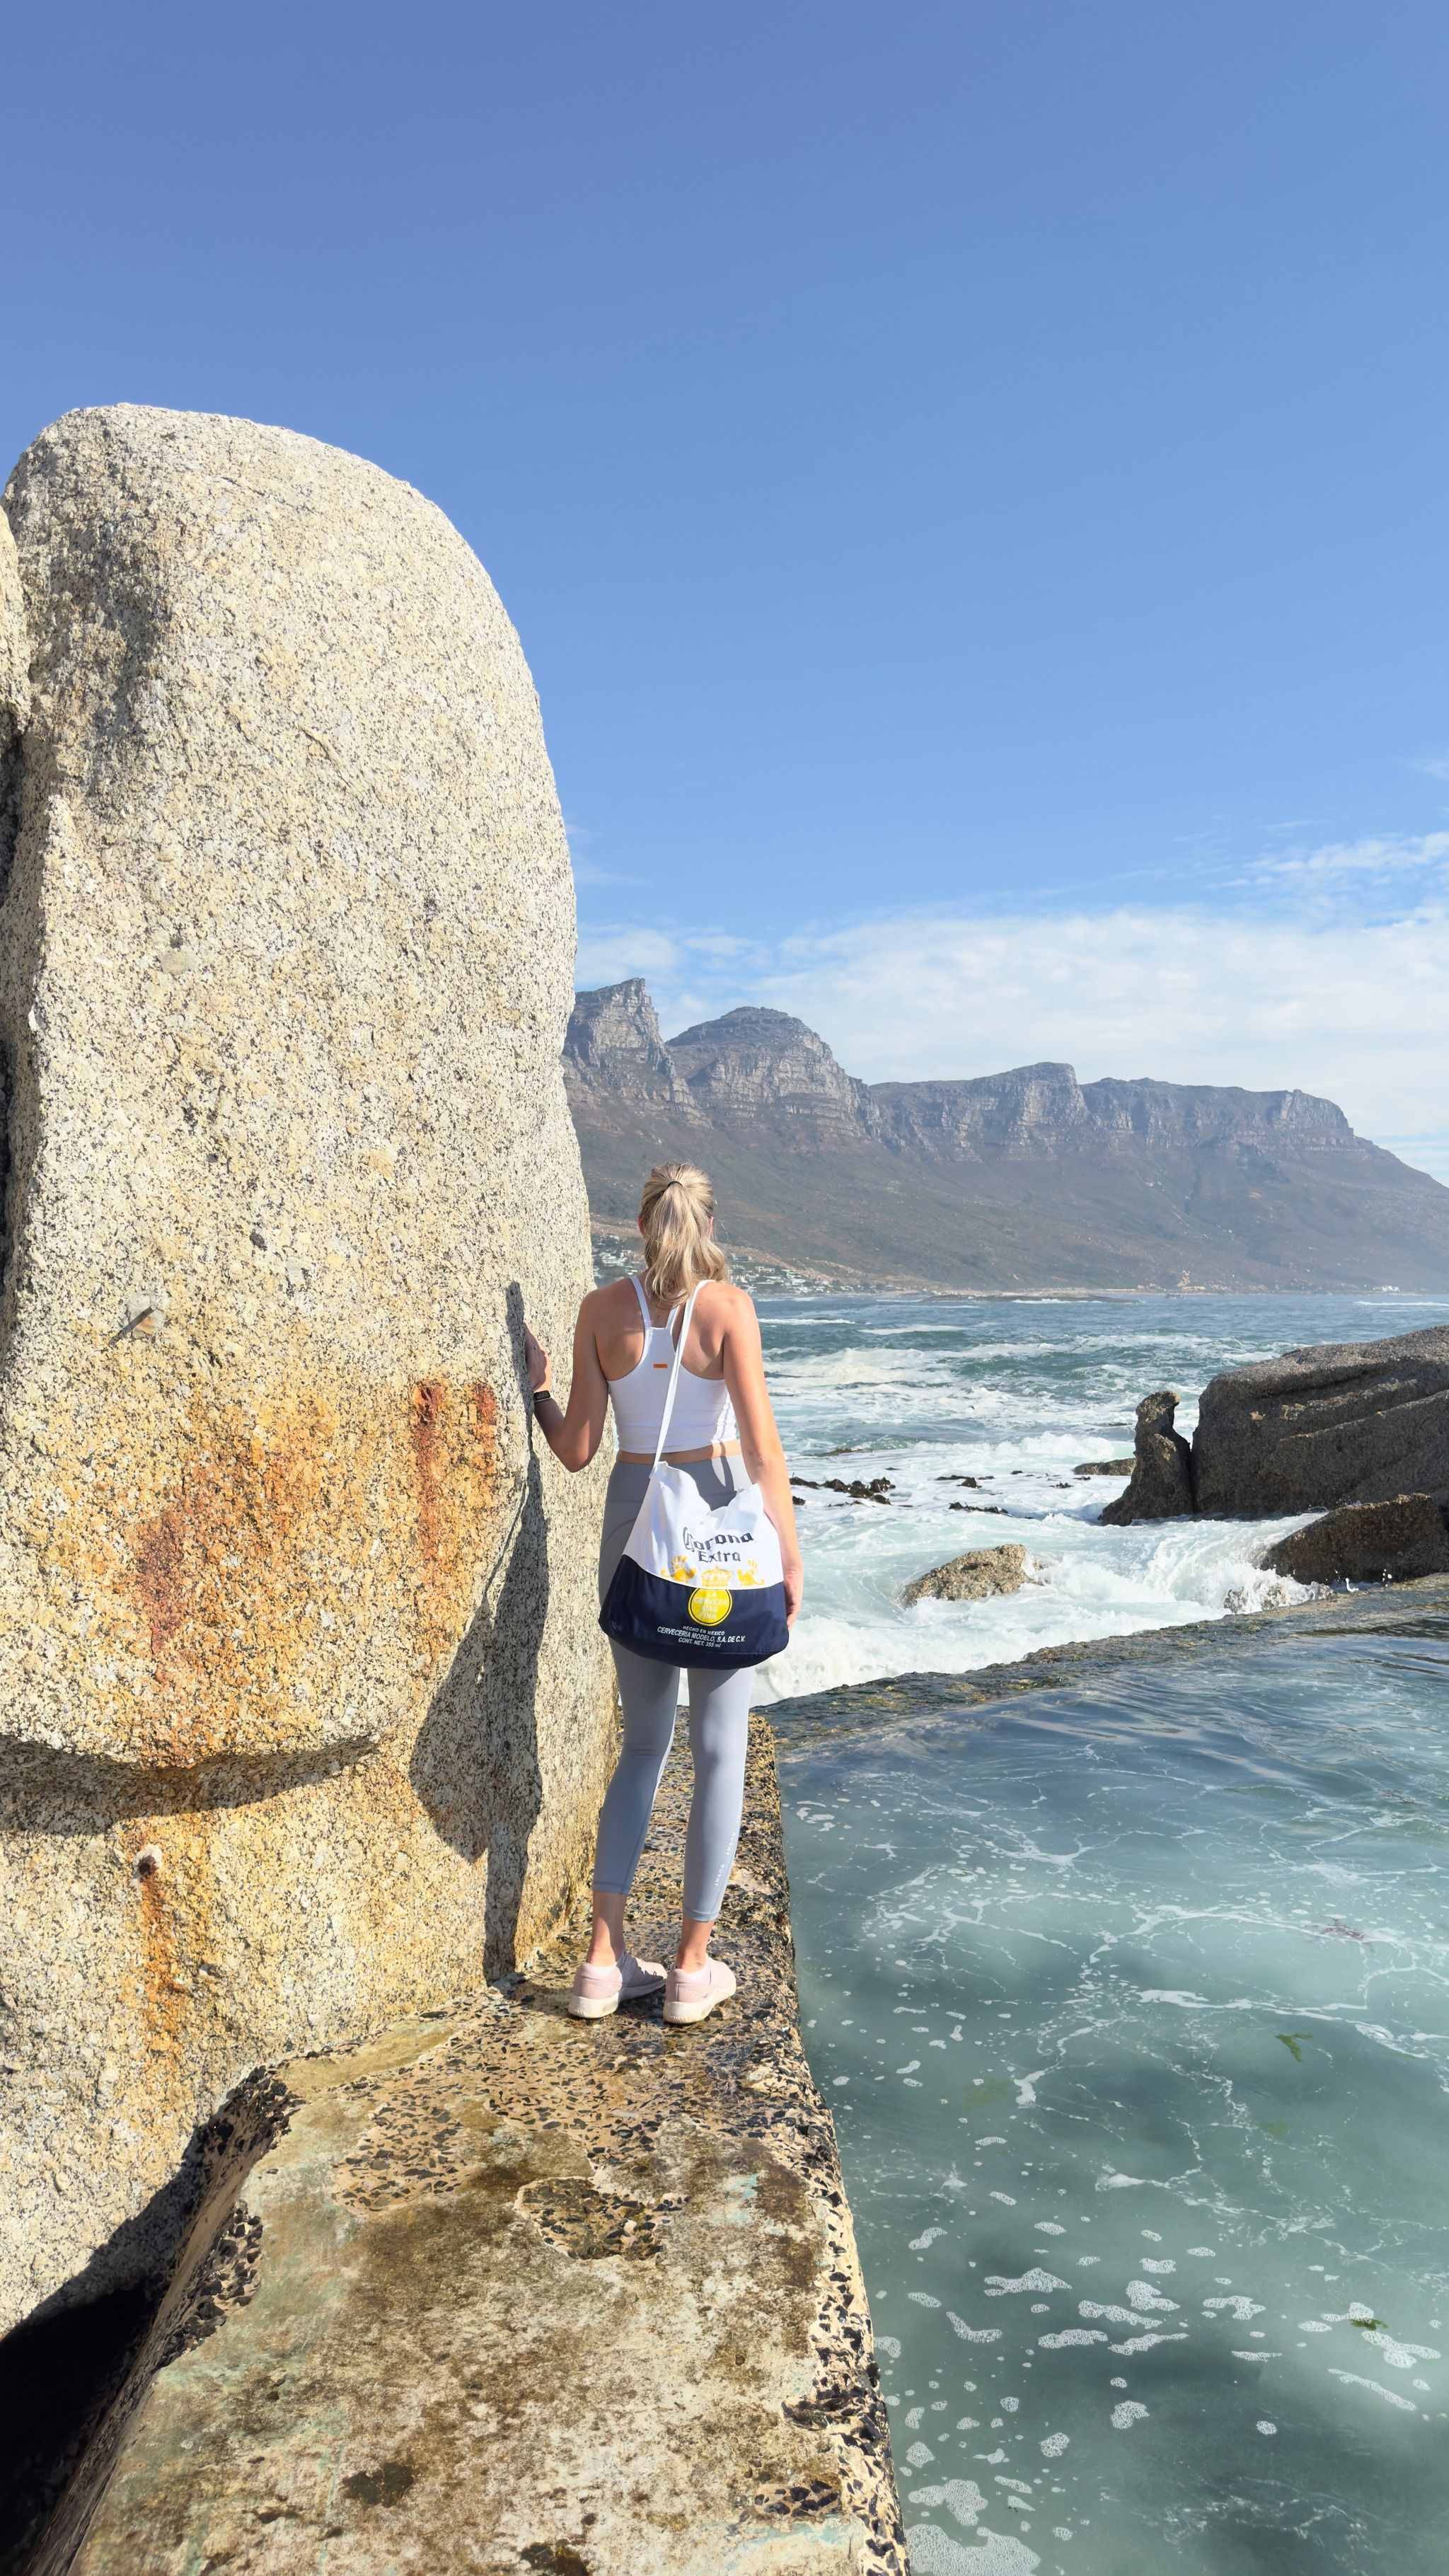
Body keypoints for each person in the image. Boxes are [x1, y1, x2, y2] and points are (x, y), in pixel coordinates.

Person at [522, 1162, 803, 2026]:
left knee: (643, 1744)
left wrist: (537, 1386)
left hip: (632, 1522)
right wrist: (789, 1556)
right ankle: (689, 1966)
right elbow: (761, 1449)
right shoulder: (727, 1309)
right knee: (719, 1750)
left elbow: (576, 1449)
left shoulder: (599, 1311)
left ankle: (601, 1960)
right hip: (713, 1524)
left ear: (640, 1224)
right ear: (707, 1223)